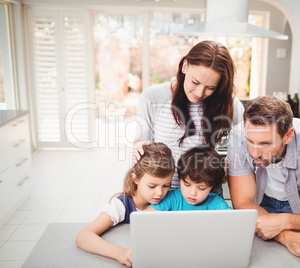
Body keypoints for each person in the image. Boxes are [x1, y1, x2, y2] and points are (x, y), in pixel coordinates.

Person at [227, 96, 300, 259]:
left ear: (288, 136)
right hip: (261, 203)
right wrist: (286, 236)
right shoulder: (239, 135)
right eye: (250, 141)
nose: (254, 153)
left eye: (265, 144)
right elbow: (242, 204)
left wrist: (284, 221)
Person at [132, 40, 244, 190]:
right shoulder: (153, 97)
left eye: (210, 88)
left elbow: (244, 150)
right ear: (185, 66)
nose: (199, 93)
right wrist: (137, 147)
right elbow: (141, 146)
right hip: (164, 195)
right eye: (195, 82)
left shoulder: (229, 104)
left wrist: (226, 167)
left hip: (205, 195)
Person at [75, 143, 175, 267]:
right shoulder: (122, 205)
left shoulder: (172, 199)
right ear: (136, 179)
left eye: (166, 185)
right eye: (152, 186)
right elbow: (83, 236)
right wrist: (120, 253)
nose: (160, 193)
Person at [146, 146, 231, 211]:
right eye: (187, 184)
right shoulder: (173, 198)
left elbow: (233, 222)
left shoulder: (216, 204)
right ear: (180, 179)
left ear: (212, 186)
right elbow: (147, 217)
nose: (193, 193)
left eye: (202, 188)